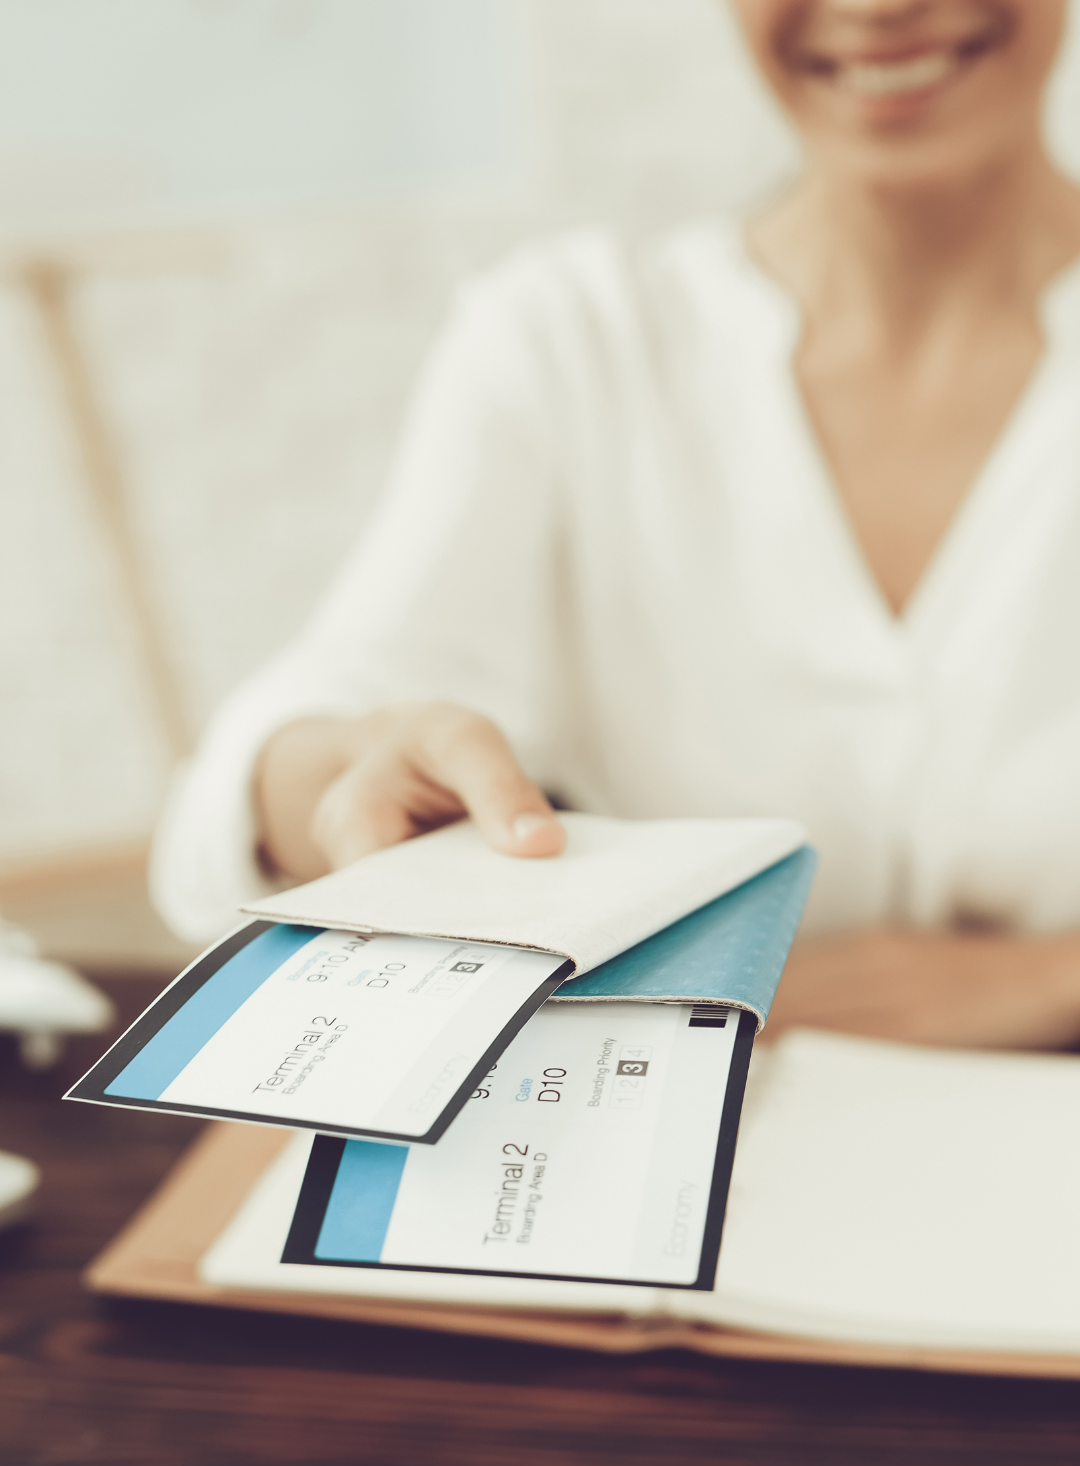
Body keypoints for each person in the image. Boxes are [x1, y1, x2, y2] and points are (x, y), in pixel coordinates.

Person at [153, 0, 1080, 1051]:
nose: (876, 8)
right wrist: (335, 782)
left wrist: (1051, 977)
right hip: (660, 1138)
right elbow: (314, 724)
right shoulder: (572, 339)